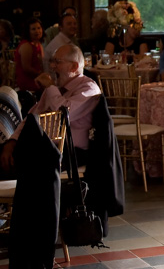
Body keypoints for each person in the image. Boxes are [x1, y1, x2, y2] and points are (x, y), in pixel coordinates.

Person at [0, 44, 100, 174]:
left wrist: (50, 87)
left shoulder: (89, 89)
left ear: (74, 66)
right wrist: (12, 142)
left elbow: (63, 114)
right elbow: (32, 117)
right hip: (43, 147)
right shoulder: (55, 89)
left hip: (70, 151)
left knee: (21, 165)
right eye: (52, 61)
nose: (52, 66)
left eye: (57, 62)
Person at [14, 17, 44, 92]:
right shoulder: (26, 45)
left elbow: (42, 63)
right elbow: (27, 68)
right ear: (28, 31)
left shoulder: (39, 44)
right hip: (28, 81)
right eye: (33, 29)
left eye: (39, 28)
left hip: (37, 78)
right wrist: (41, 75)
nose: (37, 31)